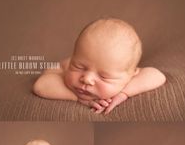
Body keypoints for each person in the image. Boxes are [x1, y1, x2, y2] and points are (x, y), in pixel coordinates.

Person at [33, 16, 165, 114]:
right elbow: (40, 86)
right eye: (79, 67)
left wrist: (123, 94)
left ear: (132, 74)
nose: (86, 79)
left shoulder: (129, 74)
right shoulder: (65, 69)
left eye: (104, 76)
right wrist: (77, 98)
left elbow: (158, 75)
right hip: (58, 70)